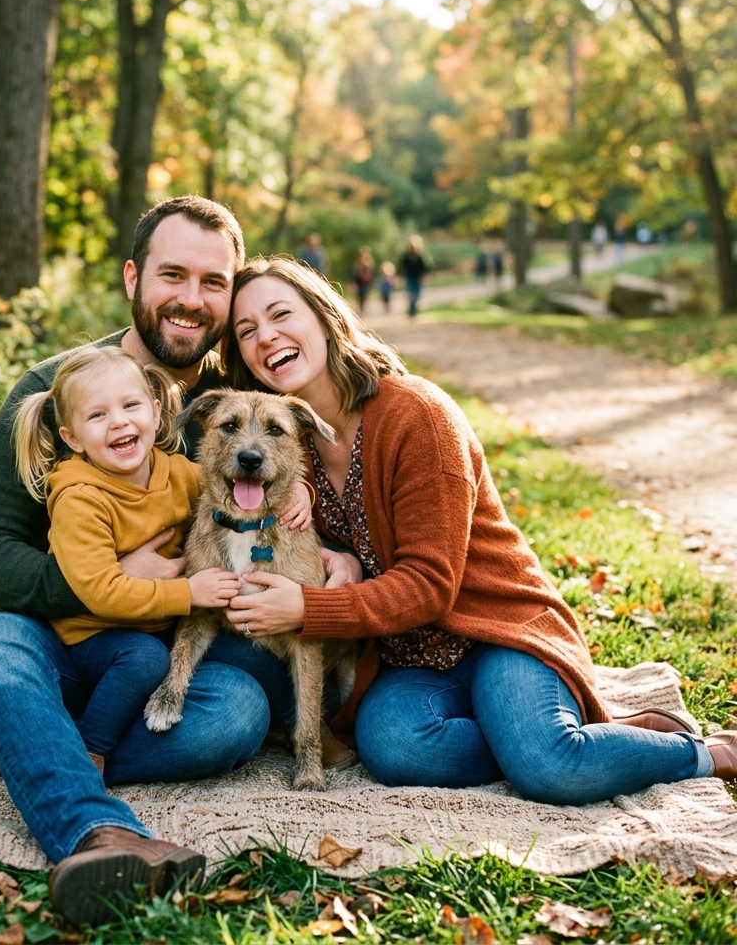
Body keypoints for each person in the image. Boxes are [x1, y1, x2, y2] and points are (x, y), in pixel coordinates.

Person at [0, 197, 362, 928]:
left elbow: (281, 464)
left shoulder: (232, 400)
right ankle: (97, 833)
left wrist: (304, 502)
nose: (191, 299)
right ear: (132, 277)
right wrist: (120, 577)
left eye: (213, 282)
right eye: (172, 275)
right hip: (72, 637)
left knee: (239, 716)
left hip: (177, 656)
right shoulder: (61, 389)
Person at [219, 256, 737, 806]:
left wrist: (308, 609)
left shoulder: (417, 415)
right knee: (393, 746)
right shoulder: (279, 447)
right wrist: (334, 552)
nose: (266, 337)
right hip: (411, 656)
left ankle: (704, 753)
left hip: (497, 630)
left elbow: (429, 583)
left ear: (323, 317)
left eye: (280, 314)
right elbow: (339, 537)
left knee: (549, 768)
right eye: (246, 330)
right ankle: (555, 731)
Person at [12, 344, 311, 774]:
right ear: (71, 438)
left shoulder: (176, 473)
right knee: (146, 659)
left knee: (236, 696)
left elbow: (233, 479)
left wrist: (301, 490)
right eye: (97, 416)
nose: (118, 421)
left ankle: (42, 739)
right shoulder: (78, 498)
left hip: (155, 631)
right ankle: (88, 750)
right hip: (93, 639)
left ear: (155, 413)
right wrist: (186, 593)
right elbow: (101, 592)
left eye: (130, 406)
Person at [398, 235, 427, 318]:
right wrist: (402, 276)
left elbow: (423, 267)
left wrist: (423, 276)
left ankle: (414, 310)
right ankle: (411, 311)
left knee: (417, 295)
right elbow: (403, 267)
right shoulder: (406, 256)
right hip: (409, 278)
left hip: (417, 278)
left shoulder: (420, 256)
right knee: (410, 294)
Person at [352, 246, 375, 312]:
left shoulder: (370, 263)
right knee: (359, 294)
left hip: (366, 282)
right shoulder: (358, 263)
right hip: (359, 281)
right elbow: (354, 273)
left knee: (364, 294)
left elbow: (373, 273)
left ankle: (362, 306)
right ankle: (361, 306)